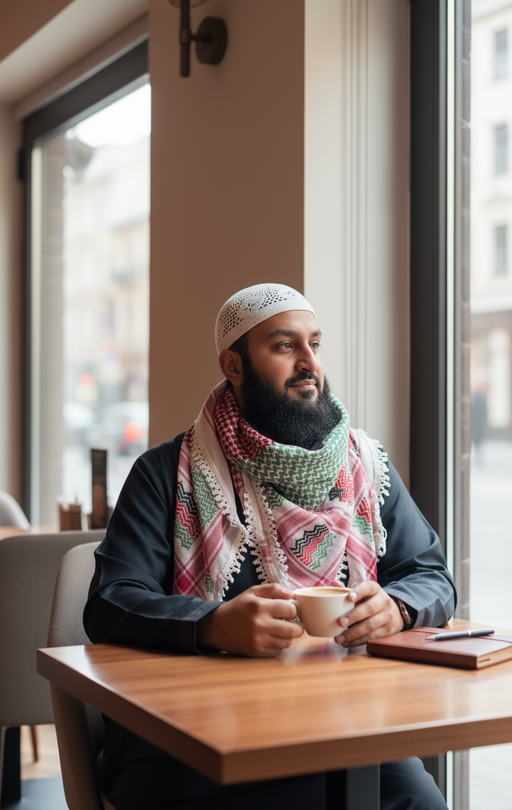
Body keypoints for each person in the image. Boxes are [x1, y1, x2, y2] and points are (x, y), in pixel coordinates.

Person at [84, 283, 456, 810]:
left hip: (342, 722)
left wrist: (397, 608)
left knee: (419, 802)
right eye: (285, 346)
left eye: (315, 345)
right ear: (233, 366)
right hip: (183, 731)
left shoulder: (365, 467)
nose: (309, 363)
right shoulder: (167, 473)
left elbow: (432, 575)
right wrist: (211, 625)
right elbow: (110, 601)